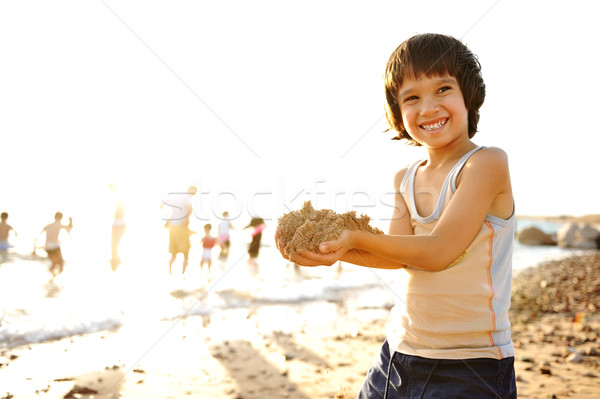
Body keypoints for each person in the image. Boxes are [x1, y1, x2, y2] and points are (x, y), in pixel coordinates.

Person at [283, 34, 516, 398]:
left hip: (471, 366)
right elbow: (397, 256)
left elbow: (439, 251)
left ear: (468, 94)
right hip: (398, 356)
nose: (428, 107)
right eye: (412, 97)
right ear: (397, 110)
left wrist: (355, 238)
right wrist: (335, 251)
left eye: (442, 89)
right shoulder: (405, 178)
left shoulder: (486, 163)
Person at [164, 186, 196, 274]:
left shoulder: (177, 197)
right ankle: (183, 273)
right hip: (182, 227)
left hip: (173, 227)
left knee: (173, 253)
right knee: (186, 253)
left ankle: (170, 272)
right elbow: (190, 208)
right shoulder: (188, 198)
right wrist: (186, 219)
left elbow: (164, 203)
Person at [109, 182, 126, 270]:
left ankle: (116, 261)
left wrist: (115, 214)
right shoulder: (116, 197)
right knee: (114, 244)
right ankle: (116, 260)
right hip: (118, 224)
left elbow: (122, 211)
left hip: (119, 225)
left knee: (114, 244)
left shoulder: (119, 197)